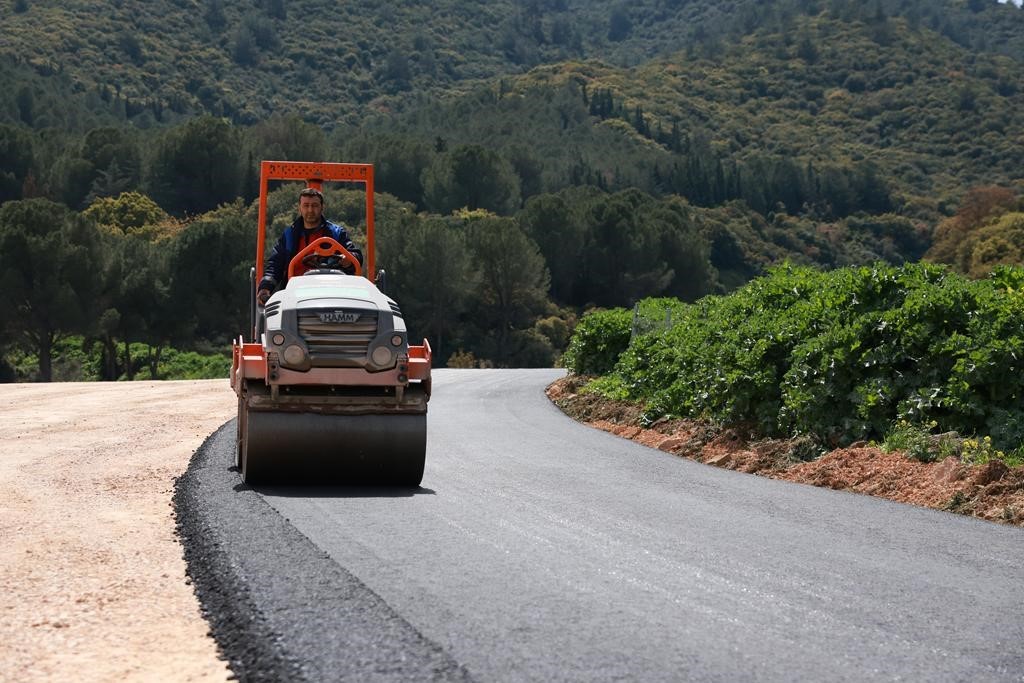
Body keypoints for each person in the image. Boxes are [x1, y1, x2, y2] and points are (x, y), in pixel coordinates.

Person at [256, 187, 363, 305]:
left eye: (315, 206)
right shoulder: (289, 235)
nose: (310, 210)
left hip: (330, 294)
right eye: (306, 205)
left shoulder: (336, 233)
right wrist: (265, 287)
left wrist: (347, 259)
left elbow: (355, 256)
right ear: (299, 208)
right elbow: (275, 264)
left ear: (322, 207)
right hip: (295, 295)